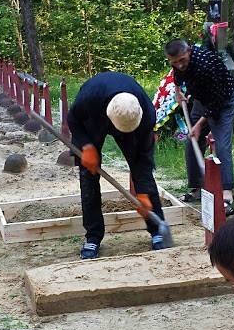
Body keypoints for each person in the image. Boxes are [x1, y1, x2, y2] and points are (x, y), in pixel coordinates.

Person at [67, 71, 167, 259]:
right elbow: (73, 120)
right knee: (88, 175)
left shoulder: (146, 114)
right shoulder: (89, 97)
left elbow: (143, 160)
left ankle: (157, 229)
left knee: (143, 175)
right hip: (95, 116)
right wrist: (87, 146)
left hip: (133, 128)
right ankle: (93, 237)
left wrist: (143, 194)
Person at [165, 38, 234, 217]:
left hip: (223, 100)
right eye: (175, 62)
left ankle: (226, 193)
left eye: (182, 60)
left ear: (189, 51)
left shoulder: (207, 64)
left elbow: (216, 102)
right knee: (192, 142)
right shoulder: (178, 64)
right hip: (201, 99)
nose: (180, 65)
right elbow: (178, 74)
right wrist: (177, 92)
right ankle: (198, 187)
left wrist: (198, 125)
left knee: (221, 146)